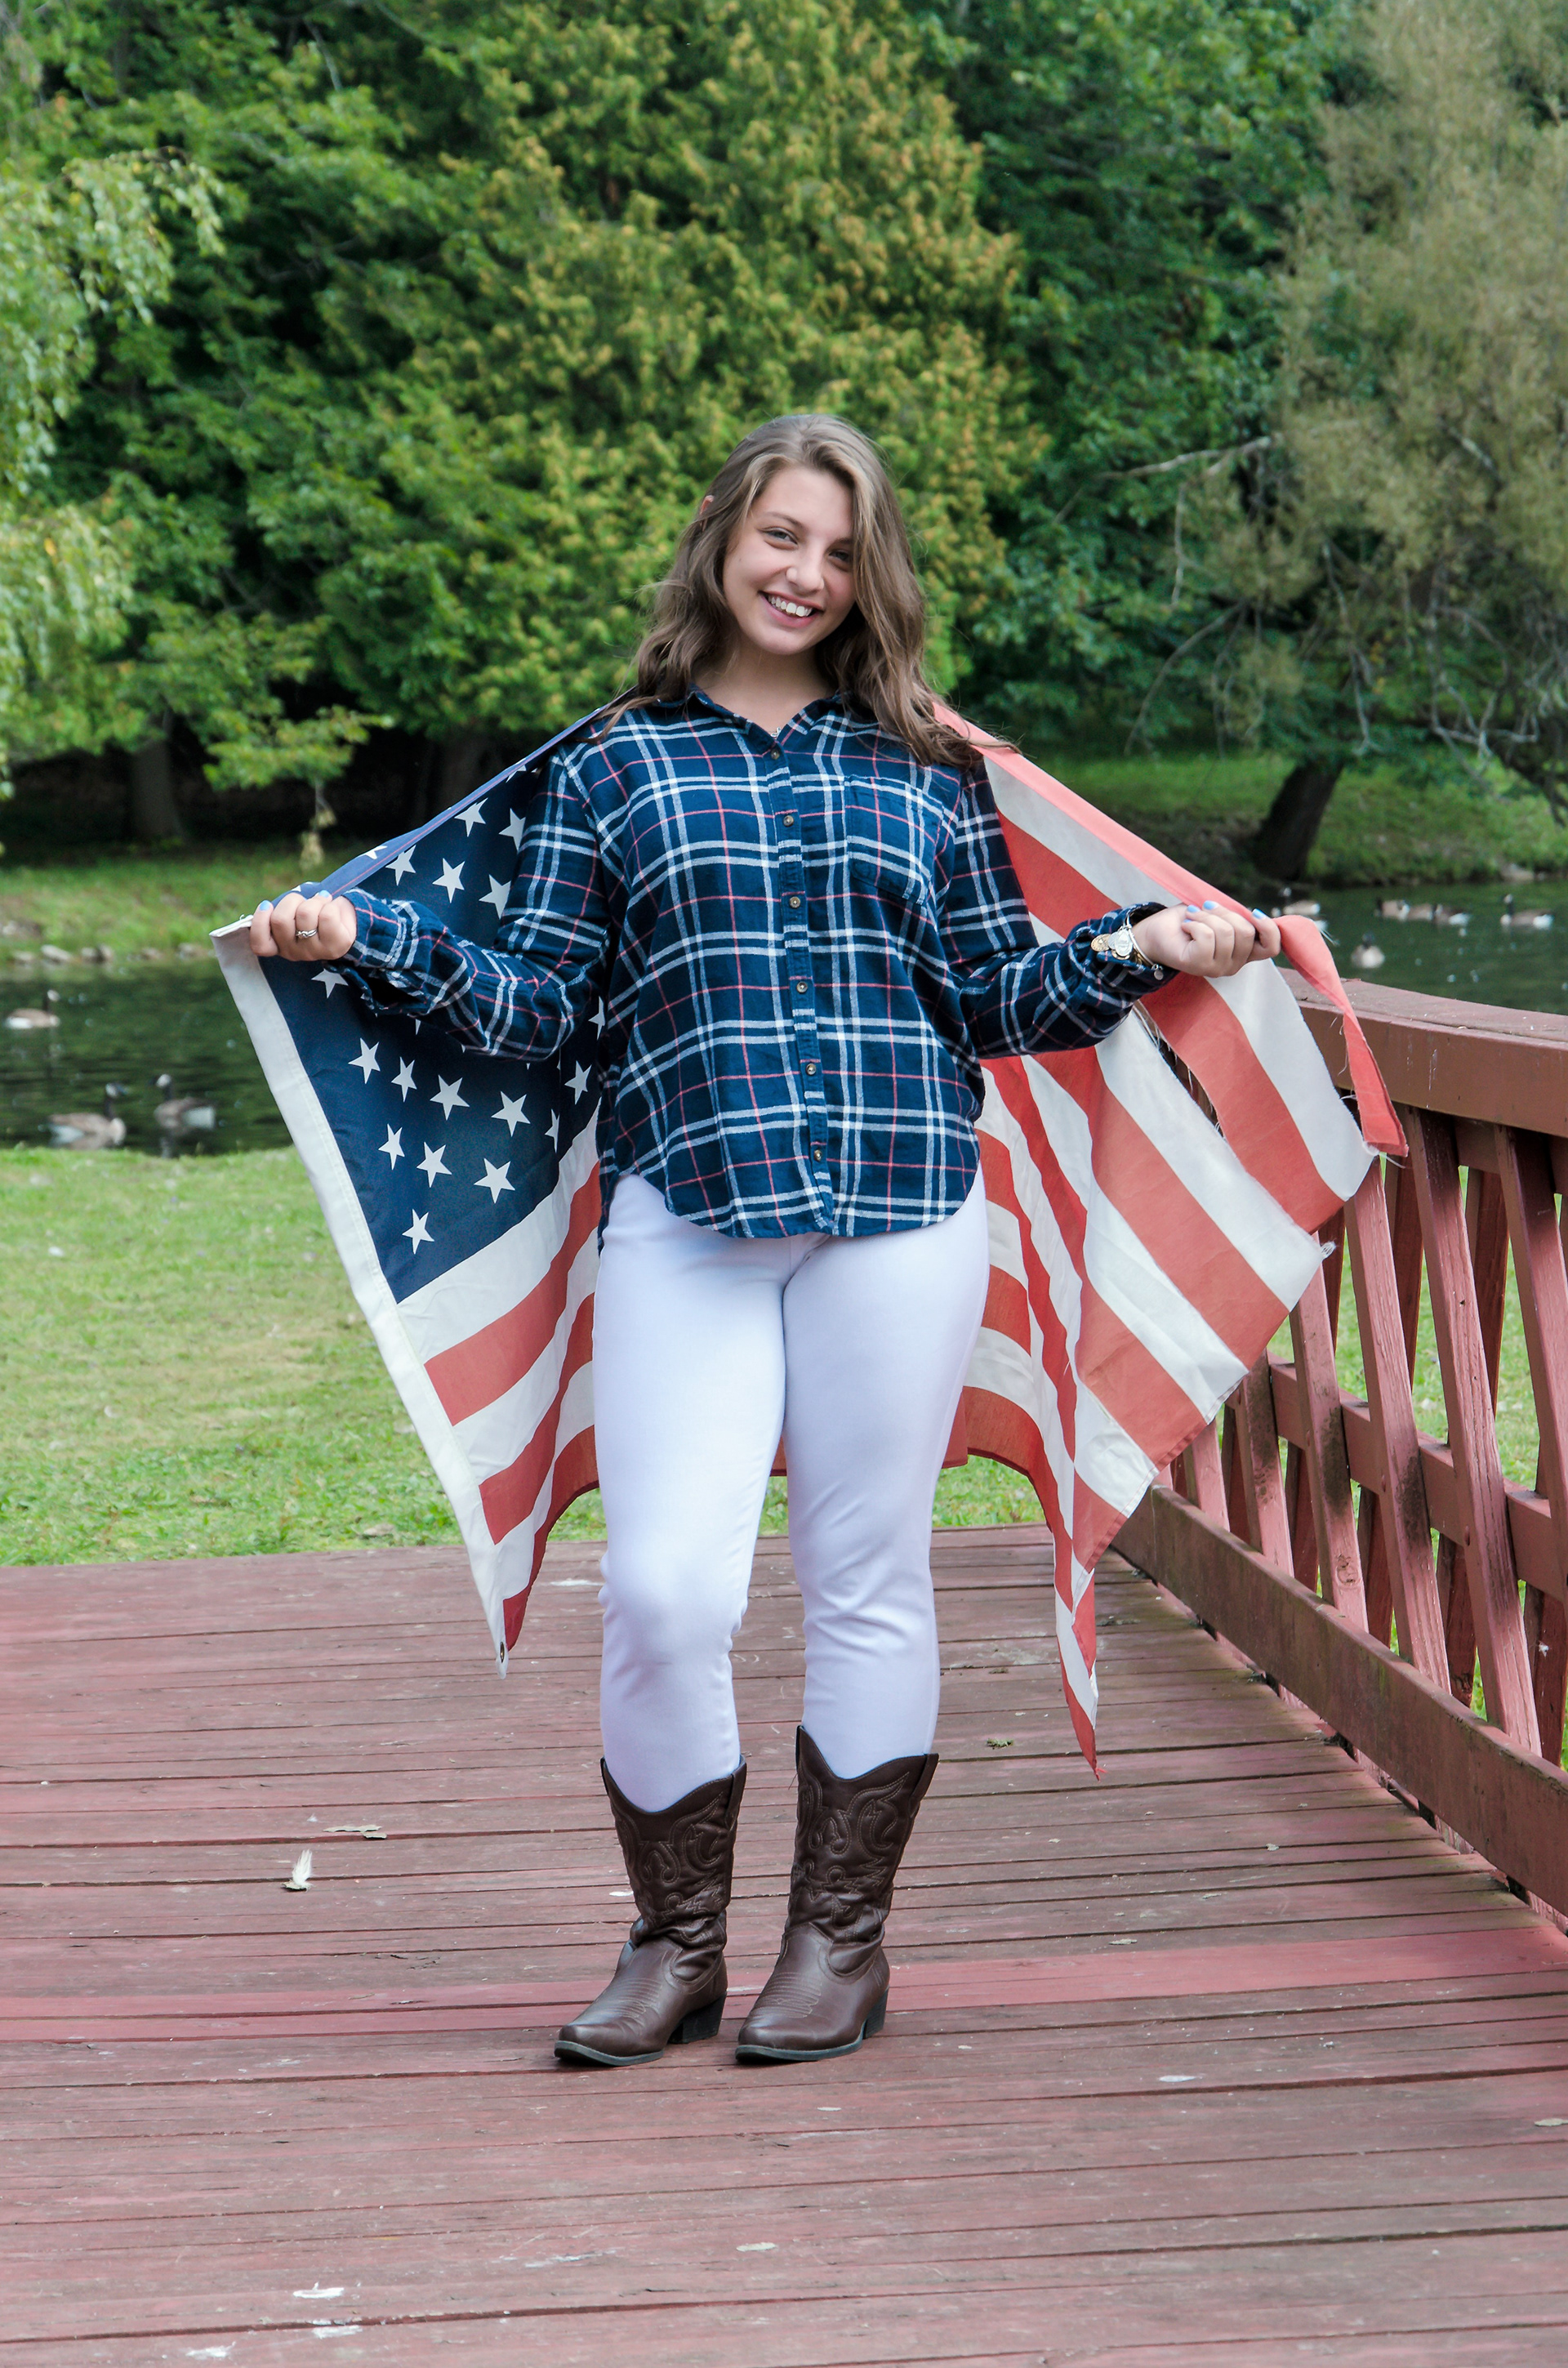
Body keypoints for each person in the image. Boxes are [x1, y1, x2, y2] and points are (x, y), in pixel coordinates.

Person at [252, 415, 1281, 2070]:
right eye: (782, 536)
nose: (806, 574)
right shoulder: (614, 766)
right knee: (666, 1590)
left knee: (867, 1577)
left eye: (841, 551)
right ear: (725, 540)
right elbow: (544, 1007)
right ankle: (675, 1947)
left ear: (874, 578)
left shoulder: (927, 768)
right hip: (688, 1216)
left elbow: (992, 994)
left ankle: (839, 1947)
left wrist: (1140, 945)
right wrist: (372, 943)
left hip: (904, 1214)